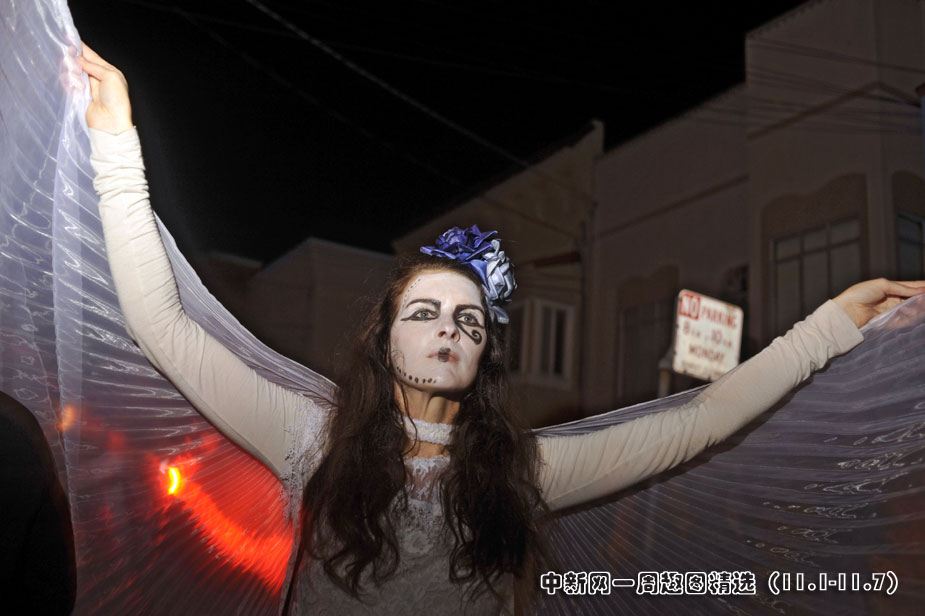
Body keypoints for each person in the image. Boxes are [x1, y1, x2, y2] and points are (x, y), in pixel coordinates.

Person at [76, 43, 925, 614]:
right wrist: (116, 139)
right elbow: (163, 327)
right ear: (383, 343)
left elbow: (701, 419)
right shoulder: (310, 438)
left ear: (483, 353)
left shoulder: (525, 473)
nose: (448, 328)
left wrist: (830, 325)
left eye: (468, 319)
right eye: (423, 313)